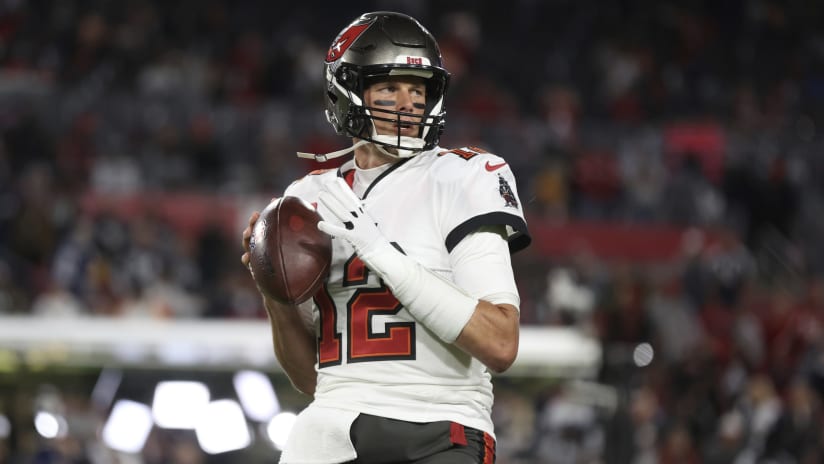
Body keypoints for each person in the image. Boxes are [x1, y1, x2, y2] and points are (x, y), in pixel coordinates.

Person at [241, 11, 530, 464]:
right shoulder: (308, 197)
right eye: (390, 86)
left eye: (418, 89)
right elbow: (309, 377)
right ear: (348, 90)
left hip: (438, 426)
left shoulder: (464, 176)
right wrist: (274, 295)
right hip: (330, 424)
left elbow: (500, 343)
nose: (408, 101)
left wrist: (379, 252)